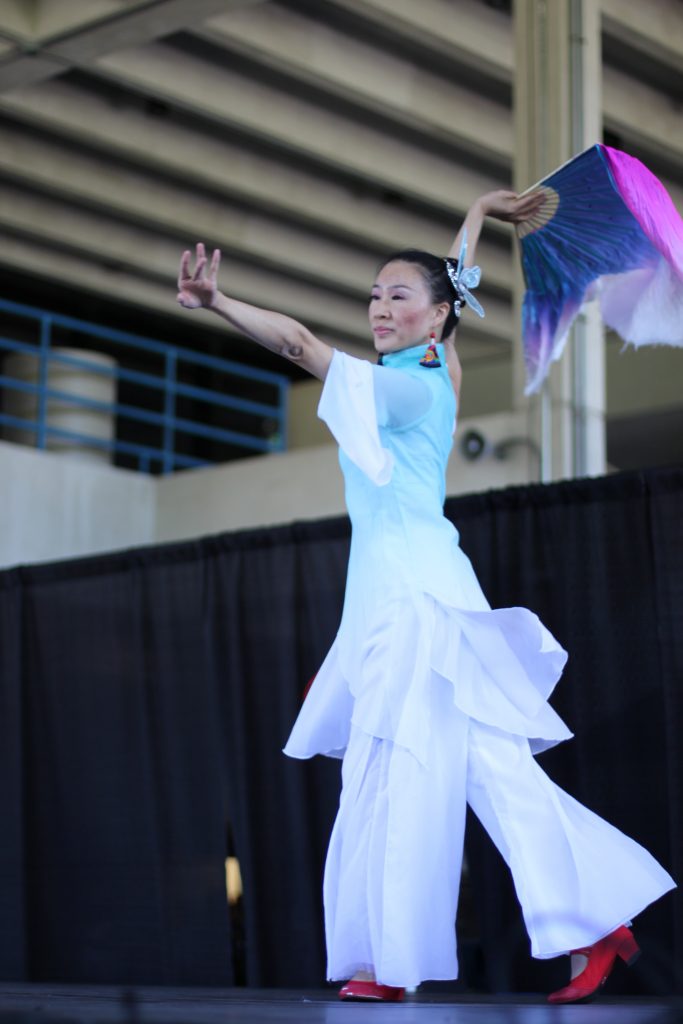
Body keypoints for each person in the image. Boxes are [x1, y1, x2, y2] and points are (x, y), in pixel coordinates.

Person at [177, 191, 675, 1004]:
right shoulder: (434, 365)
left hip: (414, 601)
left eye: (396, 296)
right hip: (408, 594)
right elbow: (457, 277)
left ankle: (387, 963)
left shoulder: (403, 389)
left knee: (394, 772)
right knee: (489, 772)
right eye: (373, 294)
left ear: (438, 316)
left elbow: (300, 342)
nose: (378, 307)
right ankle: (594, 923)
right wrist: (477, 212)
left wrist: (218, 301)